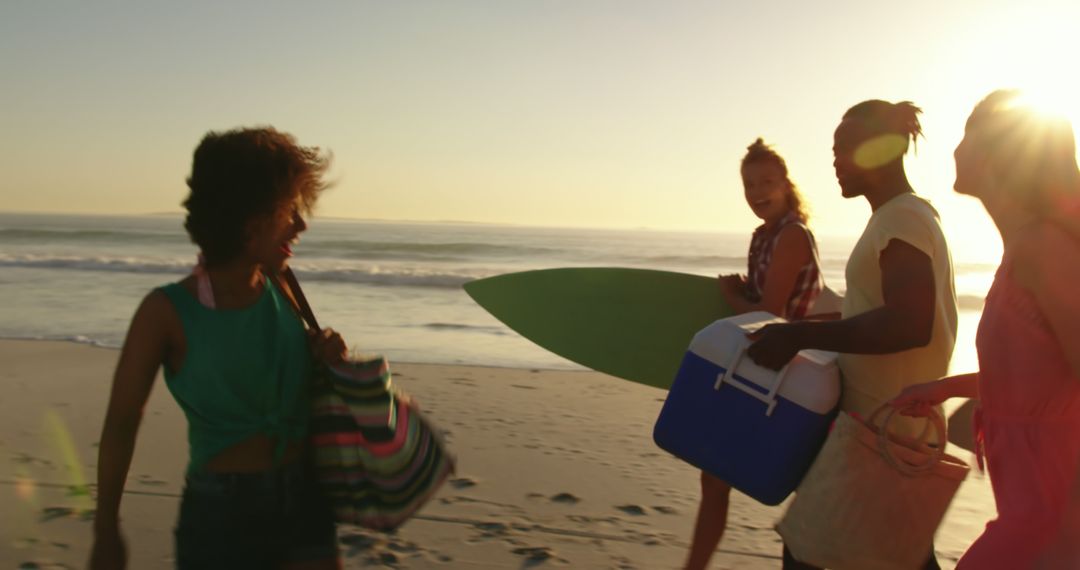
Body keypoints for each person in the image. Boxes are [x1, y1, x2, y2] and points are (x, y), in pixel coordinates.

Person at [89, 127, 347, 570]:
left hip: (305, 497)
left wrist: (324, 359)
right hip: (223, 514)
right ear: (250, 219)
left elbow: (291, 388)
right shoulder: (165, 312)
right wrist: (106, 529)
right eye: (290, 210)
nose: (301, 224)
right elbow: (120, 425)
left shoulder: (282, 288)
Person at [745, 100, 958, 569]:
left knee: (808, 556)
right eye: (834, 150)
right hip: (887, 432)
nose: (836, 161)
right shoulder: (898, 218)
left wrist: (800, 336)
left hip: (881, 438)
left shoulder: (902, 218)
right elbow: (874, 313)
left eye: (846, 149)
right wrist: (796, 330)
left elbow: (909, 322)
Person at [889, 90, 1080, 569]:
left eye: (969, 134)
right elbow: (1040, 379)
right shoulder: (1022, 250)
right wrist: (944, 388)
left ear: (1003, 152)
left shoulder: (1042, 249)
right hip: (1032, 515)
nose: (955, 149)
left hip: (1055, 524)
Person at [684, 138, 824, 570]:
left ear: (786, 184)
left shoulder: (793, 235)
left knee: (804, 486)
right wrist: (745, 292)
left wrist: (730, 296)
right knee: (714, 476)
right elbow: (763, 302)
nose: (758, 192)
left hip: (792, 377)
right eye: (749, 185)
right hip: (760, 367)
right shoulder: (763, 236)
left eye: (767, 182)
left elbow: (771, 316)